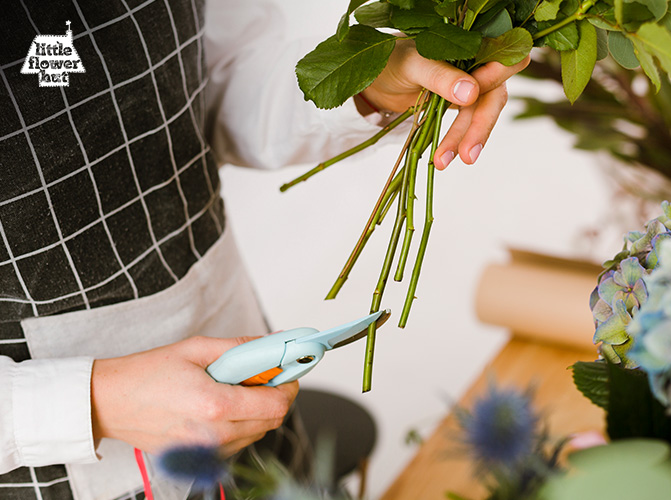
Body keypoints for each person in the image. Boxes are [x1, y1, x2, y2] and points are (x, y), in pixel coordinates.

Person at [0, 0, 529, 499]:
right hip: (55, 468)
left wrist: (369, 86)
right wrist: (85, 403)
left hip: (241, 376)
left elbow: (205, 88)